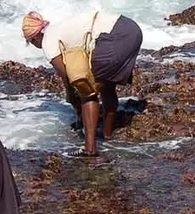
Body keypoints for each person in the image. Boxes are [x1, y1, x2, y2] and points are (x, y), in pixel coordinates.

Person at [22, 9, 143, 156]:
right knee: (106, 84)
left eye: (30, 42)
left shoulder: (48, 42)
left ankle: (90, 149)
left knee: (87, 91)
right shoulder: (59, 28)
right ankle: (107, 134)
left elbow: (66, 77)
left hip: (114, 36)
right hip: (131, 29)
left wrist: (73, 99)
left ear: (34, 38)